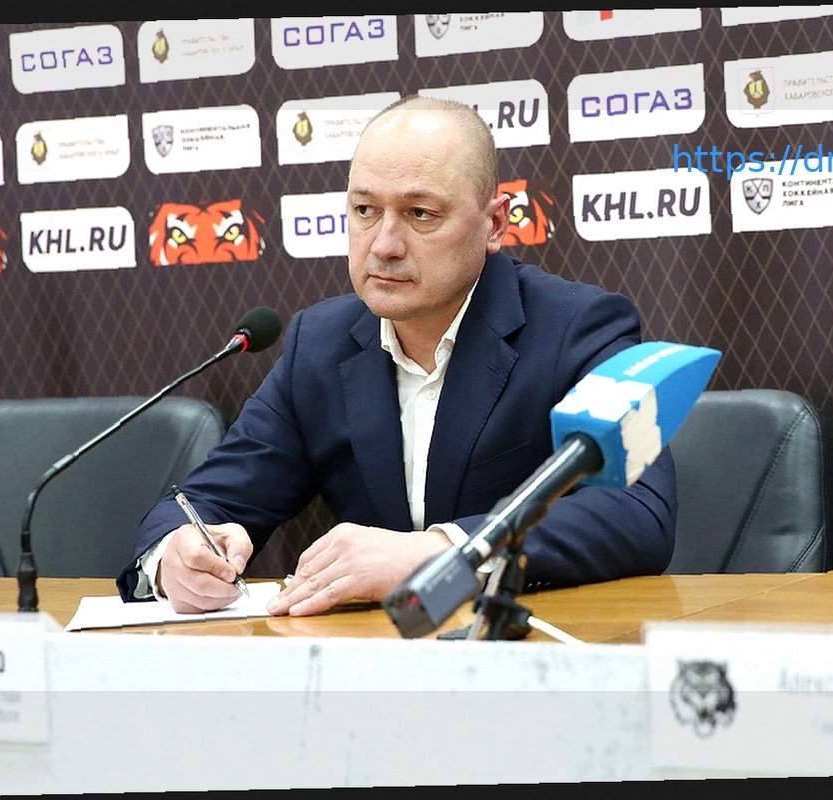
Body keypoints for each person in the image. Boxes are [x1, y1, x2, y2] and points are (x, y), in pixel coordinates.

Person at [116, 95, 677, 616]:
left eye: (420, 214)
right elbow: (205, 502)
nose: (383, 244)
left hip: (525, 648)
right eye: (364, 209)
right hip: (373, 656)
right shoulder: (320, 344)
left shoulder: (577, 327)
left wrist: (438, 553)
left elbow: (637, 511)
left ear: (494, 224)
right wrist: (176, 557)